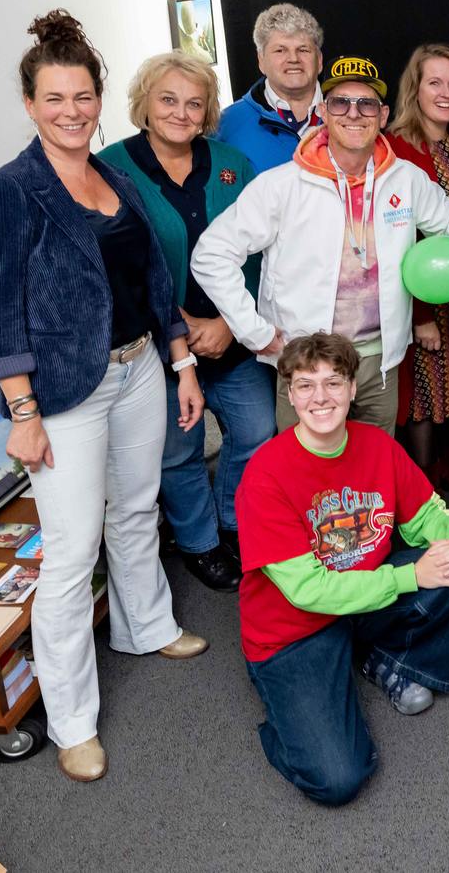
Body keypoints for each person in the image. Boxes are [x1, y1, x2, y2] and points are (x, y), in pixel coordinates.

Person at [0, 11, 209, 783]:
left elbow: (151, 281)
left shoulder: (112, 174)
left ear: (100, 98)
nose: (70, 111)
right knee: (70, 555)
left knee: (136, 509)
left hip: (139, 367)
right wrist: (23, 414)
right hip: (63, 394)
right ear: (30, 104)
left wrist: (181, 362)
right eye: (53, 98)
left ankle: (148, 626)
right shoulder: (6, 193)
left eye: (82, 96)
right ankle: (72, 720)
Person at [191, 56, 449, 436]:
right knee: (307, 477)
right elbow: (211, 254)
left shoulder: (404, 178)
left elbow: (448, 216)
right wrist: (254, 331)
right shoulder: (282, 185)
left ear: (383, 115)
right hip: (308, 364)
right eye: (340, 103)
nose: (354, 114)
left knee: (373, 475)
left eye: (366, 104)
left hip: (379, 360)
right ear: (323, 114)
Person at [237, 332, 449, 806]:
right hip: (292, 631)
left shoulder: (377, 446)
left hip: (361, 595)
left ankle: (383, 659)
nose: (320, 397)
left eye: (333, 382)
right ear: (290, 395)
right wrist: (411, 577)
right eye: (306, 386)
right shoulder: (265, 474)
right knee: (337, 779)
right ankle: (293, 716)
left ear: (352, 389)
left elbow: (430, 516)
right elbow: (309, 591)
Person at [101, 51, 276, 592]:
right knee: (179, 448)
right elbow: (119, 264)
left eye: (194, 103)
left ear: (207, 113)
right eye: (168, 99)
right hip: (157, 342)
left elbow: (261, 255)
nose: (181, 112)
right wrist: (179, 326)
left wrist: (228, 322)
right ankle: (199, 541)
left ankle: (231, 521)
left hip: (232, 333)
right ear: (144, 104)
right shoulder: (112, 168)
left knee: (257, 432)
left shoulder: (232, 164)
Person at [383, 43, 449, 506]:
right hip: (422, 294)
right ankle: (424, 491)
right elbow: (399, 238)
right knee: (425, 395)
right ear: (416, 88)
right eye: (434, 82)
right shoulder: (396, 146)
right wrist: (421, 313)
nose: (445, 92)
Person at [217, 3, 325, 173]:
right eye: (280, 50)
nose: (293, 58)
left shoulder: (351, 117)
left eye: (303, 50)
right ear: (261, 60)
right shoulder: (227, 125)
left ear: (319, 60)